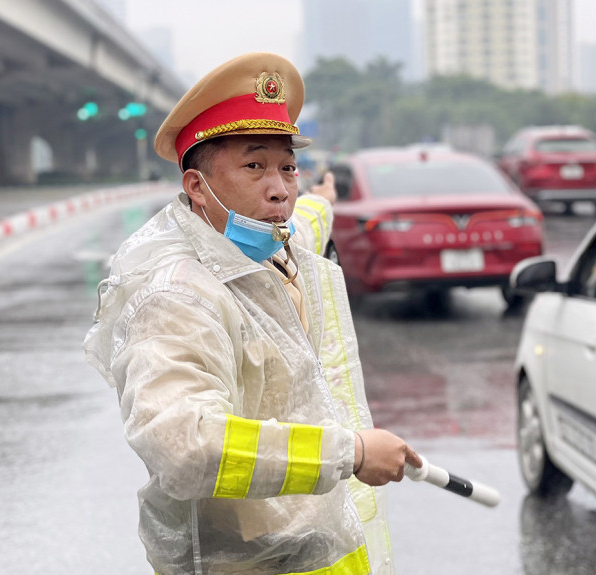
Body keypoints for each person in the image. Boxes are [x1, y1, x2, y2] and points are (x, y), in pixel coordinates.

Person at [83, 52, 421, 575]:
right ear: (198, 187)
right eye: (254, 165)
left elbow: (304, 221)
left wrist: (322, 201)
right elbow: (185, 444)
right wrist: (349, 454)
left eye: (288, 167)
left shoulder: (271, 251)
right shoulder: (178, 296)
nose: (280, 188)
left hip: (327, 554)